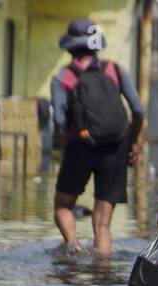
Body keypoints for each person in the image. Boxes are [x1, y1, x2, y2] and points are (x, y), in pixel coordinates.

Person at [51, 18, 147, 256]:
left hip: (80, 145)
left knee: (63, 205)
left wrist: (67, 149)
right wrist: (133, 142)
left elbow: (61, 123)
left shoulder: (63, 77)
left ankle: (73, 248)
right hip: (116, 145)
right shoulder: (115, 70)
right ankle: (102, 273)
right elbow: (138, 110)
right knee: (103, 224)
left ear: (70, 47)